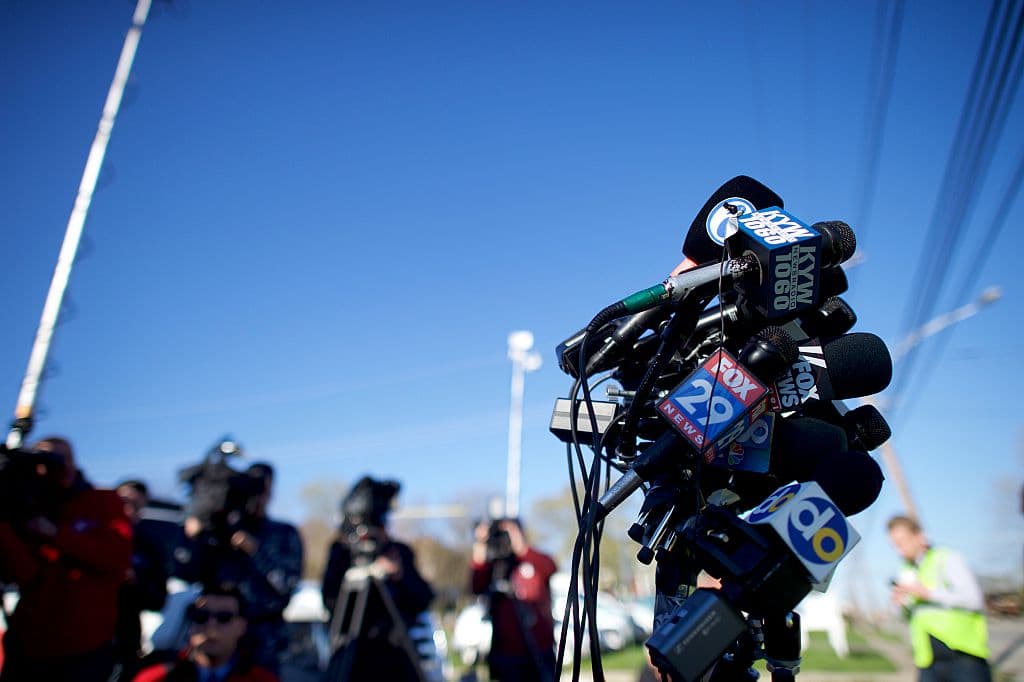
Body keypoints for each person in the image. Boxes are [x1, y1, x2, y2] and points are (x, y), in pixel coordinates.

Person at [0, 436, 133, 682]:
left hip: (83, 647)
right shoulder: (27, 506)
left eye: (63, 458)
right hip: (29, 644)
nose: (58, 466)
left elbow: (115, 558)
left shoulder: (102, 501)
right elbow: (23, 574)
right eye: (45, 459)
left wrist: (55, 534)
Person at [174, 462, 302, 675]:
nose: (257, 497)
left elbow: (286, 585)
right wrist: (193, 537)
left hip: (263, 639)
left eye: (264, 490)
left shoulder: (282, 533)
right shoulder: (220, 530)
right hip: (215, 636)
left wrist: (255, 551)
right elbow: (186, 574)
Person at [320, 476, 435, 681]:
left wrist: (399, 575)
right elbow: (330, 600)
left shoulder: (399, 553)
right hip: (354, 657)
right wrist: (357, 570)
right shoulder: (342, 553)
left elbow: (424, 598)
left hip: (397, 656)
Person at [887, 515, 992, 682]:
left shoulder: (947, 558)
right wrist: (899, 604)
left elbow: (973, 599)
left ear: (919, 536)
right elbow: (910, 616)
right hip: (928, 661)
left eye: (902, 542)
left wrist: (928, 593)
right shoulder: (906, 570)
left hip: (963, 657)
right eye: (894, 545)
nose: (899, 550)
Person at [131, 583, 278, 682]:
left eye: (223, 618)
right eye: (201, 617)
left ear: (241, 626)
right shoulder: (157, 679)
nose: (211, 626)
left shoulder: (262, 679)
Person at [471, 518, 558, 682]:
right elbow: (476, 586)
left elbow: (551, 567)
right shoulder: (495, 566)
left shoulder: (532, 560)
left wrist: (520, 546)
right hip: (507, 653)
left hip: (539, 648)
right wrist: (481, 544)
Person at [113, 479, 169, 680]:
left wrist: (135, 582)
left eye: (135, 505)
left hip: (124, 636)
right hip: (83, 635)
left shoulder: (148, 547)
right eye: (123, 502)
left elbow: (158, 600)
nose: (128, 510)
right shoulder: (88, 533)